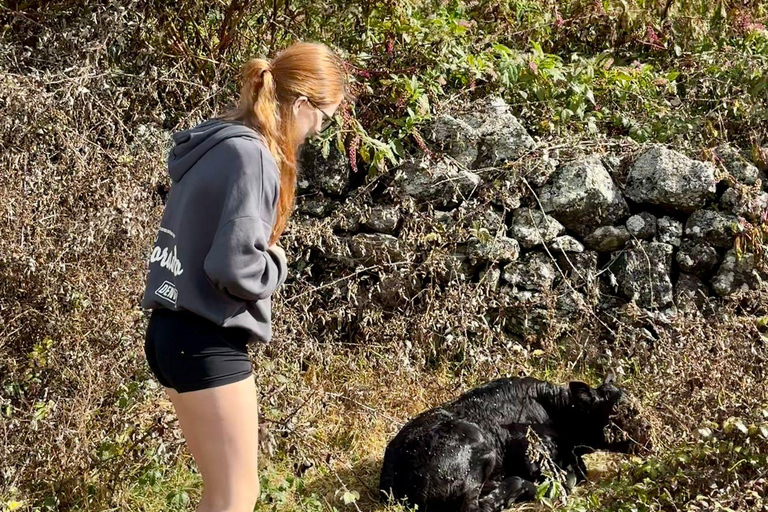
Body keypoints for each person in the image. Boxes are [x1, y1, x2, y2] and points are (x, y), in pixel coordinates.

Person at [141, 41, 351, 512]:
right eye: (323, 117)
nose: (318, 130)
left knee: (219, 494)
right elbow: (234, 267)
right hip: (206, 337)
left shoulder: (215, 141)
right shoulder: (253, 156)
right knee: (237, 495)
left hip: (170, 330)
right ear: (300, 105)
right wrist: (276, 261)